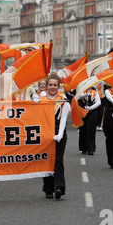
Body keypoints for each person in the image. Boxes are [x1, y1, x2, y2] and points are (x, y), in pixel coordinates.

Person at [39, 72, 70, 200]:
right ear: (46, 86)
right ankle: (48, 188)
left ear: (58, 86)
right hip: (45, 133)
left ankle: (59, 187)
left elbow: (63, 120)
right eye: (50, 85)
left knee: (57, 160)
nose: (52, 87)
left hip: (59, 133)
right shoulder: (42, 100)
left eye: (55, 85)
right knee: (46, 160)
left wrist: (60, 134)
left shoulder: (63, 100)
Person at [78, 87, 101, 155]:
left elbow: (98, 102)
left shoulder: (95, 92)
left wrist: (90, 108)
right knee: (83, 129)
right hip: (83, 111)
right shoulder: (82, 91)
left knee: (91, 129)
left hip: (92, 112)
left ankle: (90, 148)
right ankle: (83, 148)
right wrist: (84, 95)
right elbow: (78, 97)